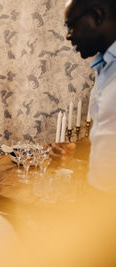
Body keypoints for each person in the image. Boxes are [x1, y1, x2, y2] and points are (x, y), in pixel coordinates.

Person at [54, 0, 116, 193]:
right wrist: (78, 149)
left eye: (71, 25)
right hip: (99, 193)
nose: (68, 36)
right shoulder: (104, 68)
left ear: (97, 16)